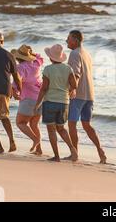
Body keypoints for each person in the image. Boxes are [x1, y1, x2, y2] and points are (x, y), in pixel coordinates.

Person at [66, 30, 107, 164]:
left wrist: (72, 89)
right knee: (87, 125)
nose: (66, 41)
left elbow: (75, 74)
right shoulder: (87, 54)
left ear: (76, 40)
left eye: (69, 39)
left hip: (78, 94)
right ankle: (100, 151)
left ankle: (74, 153)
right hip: (90, 94)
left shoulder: (74, 53)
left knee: (71, 123)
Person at [34, 44, 78, 162]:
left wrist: (37, 104)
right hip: (64, 102)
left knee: (51, 130)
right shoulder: (68, 68)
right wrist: (68, 90)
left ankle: (57, 156)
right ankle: (72, 149)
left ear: (50, 58)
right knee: (61, 128)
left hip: (50, 102)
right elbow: (75, 85)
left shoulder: (48, 69)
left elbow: (44, 88)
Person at [11, 44, 43, 155]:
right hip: (40, 98)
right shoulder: (36, 64)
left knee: (20, 122)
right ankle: (39, 150)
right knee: (34, 124)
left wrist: (14, 90)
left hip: (28, 98)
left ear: (18, 57)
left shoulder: (21, 67)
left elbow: (17, 79)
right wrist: (31, 53)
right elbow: (40, 57)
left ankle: (35, 140)